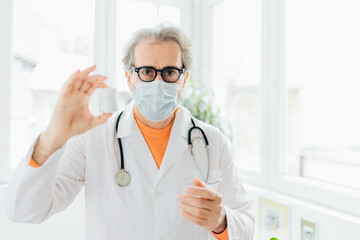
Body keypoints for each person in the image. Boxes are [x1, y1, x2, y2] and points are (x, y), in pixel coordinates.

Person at [5, 23, 254, 240]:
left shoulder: (211, 141)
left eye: (169, 72)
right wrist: (53, 137)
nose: (158, 82)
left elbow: (247, 225)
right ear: (129, 78)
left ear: (183, 79)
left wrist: (221, 220)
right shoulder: (95, 137)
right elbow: (24, 210)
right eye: (146, 72)